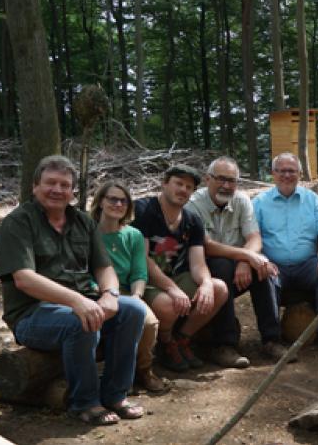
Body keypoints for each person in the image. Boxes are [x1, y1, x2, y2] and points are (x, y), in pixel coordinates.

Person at [0, 156, 147, 425]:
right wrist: (77, 301)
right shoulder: (18, 223)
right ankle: (84, 403)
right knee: (79, 321)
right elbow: (24, 279)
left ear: (72, 191)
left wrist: (110, 294)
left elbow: (104, 268)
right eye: (50, 183)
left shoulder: (82, 222)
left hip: (82, 303)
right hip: (32, 315)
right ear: (35, 187)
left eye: (64, 185)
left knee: (133, 310)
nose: (57, 190)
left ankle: (115, 395)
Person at [186, 157, 288, 364]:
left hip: (237, 265)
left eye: (231, 180)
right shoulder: (194, 205)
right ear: (207, 179)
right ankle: (225, 345)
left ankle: (272, 340)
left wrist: (246, 260)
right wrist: (246, 255)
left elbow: (254, 238)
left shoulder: (241, 200)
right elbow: (207, 246)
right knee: (223, 265)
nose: (226, 185)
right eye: (221, 179)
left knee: (264, 268)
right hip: (204, 269)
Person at [133, 164, 230, 372]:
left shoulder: (192, 220)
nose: (183, 190)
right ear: (165, 184)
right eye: (178, 183)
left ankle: (182, 338)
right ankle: (165, 343)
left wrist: (205, 283)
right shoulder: (143, 210)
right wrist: (172, 289)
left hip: (176, 276)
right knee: (169, 304)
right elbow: (143, 260)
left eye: (189, 187)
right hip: (145, 280)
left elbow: (198, 262)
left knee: (218, 288)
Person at [252, 153, 318, 352]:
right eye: (281, 170)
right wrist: (261, 259)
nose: (286, 175)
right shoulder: (259, 203)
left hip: (306, 264)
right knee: (263, 276)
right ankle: (271, 340)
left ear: (300, 174)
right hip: (274, 263)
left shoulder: (313, 200)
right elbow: (253, 235)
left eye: (291, 170)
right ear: (273, 174)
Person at [90, 181, 167, 393]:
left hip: (126, 291)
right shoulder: (89, 232)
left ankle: (143, 370)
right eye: (112, 199)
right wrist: (100, 292)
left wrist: (137, 296)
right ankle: (112, 374)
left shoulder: (133, 235)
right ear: (100, 202)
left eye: (123, 200)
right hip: (95, 291)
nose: (118, 204)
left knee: (148, 322)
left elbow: (139, 271)